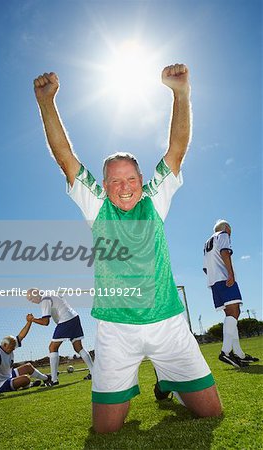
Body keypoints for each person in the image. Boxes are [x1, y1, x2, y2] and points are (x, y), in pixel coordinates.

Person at [33, 64, 222, 433]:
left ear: (141, 180)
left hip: (168, 324)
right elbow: (65, 157)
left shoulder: (155, 198)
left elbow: (176, 150)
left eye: (131, 178)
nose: (124, 187)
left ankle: (170, 380)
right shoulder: (96, 204)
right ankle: (154, 383)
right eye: (115, 180)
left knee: (211, 415)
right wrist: (46, 103)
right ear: (104, 184)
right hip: (116, 332)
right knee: (106, 432)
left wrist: (180, 93)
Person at [203, 219, 259, 368]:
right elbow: (225, 252)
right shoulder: (223, 235)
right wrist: (230, 274)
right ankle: (226, 352)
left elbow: (205, 269)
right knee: (234, 312)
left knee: (232, 314)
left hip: (214, 282)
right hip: (223, 279)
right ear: (226, 228)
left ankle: (239, 354)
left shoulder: (207, 243)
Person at [26, 288, 93, 385]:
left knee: (52, 347)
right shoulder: (50, 292)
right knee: (78, 347)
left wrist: (32, 319)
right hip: (74, 317)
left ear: (36, 293)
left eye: (31, 298)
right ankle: (93, 372)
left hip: (66, 320)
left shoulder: (44, 300)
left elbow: (45, 322)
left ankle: (54, 380)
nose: (32, 301)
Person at [0, 319, 50, 398]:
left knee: (28, 366)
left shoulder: (9, 346)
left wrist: (29, 322)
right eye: (11, 348)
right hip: (1, 384)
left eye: (14, 347)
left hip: (9, 375)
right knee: (26, 379)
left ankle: (46, 378)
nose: (13, 349)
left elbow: (21, 336)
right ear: (5, 345)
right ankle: (29, 385)